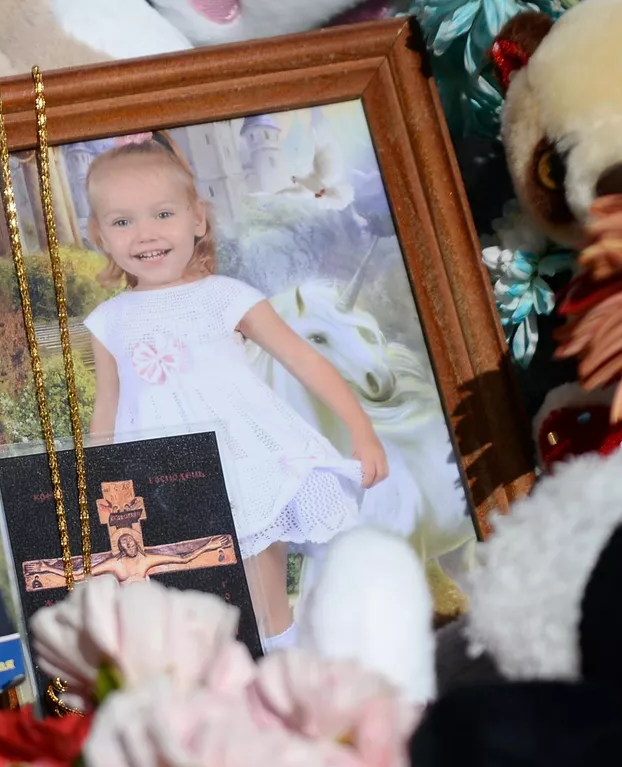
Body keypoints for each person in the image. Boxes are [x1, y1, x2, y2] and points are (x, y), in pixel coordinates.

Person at [79, 132, 391, 650]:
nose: (144, 234)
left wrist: (363, 433)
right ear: (99, 234)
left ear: (197, 219)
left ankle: (287, 677)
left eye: (162, 215)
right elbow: (108, 405)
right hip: (161, 477)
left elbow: (304, 360)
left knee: (266, 602)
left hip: (245, 463)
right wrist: (103, 488)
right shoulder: (108, 322)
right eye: (121, 221)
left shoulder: (226, 298)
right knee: (194, 608)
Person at [89, 532, 233, 583]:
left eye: (130, 541)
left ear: (136, 543)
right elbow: (84, 573)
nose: (129, 545)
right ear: (121, 549)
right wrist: (65, 572)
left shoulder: (148, 560)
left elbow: (184, 559)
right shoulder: (115, 563)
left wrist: (207, 547)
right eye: (125, 544)